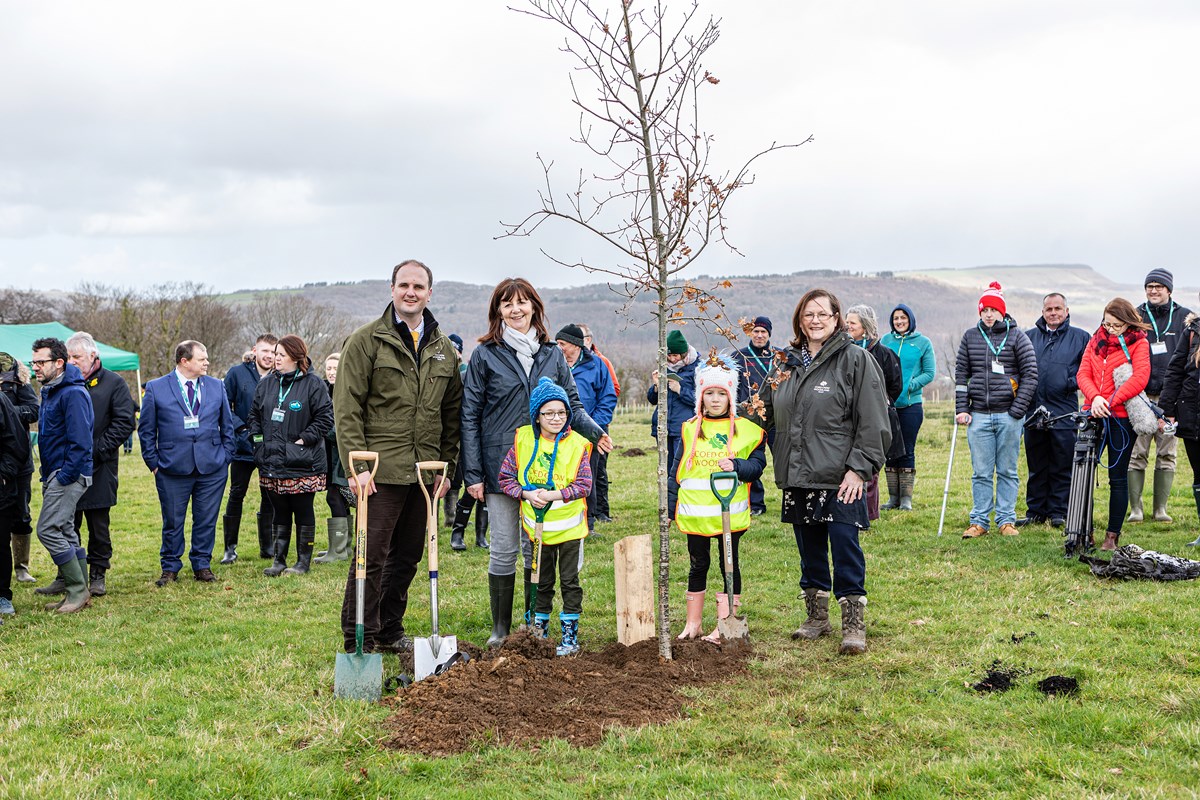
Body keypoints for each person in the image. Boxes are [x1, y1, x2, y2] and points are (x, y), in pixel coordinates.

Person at [461, 277, 611, 647]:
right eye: (507, 303)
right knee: (505, 547)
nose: (516, 309)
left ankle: (532, 627)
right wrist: (473, 472)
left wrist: (595, 432)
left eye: (523, 302)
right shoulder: (484, 355)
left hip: (544, 466)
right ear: (498, 310)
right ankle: (500, 628)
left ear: (534, 307)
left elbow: (572, 405)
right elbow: (469, 415)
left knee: (535, 548)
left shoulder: (552, 353)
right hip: (501, 466)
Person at [335, 259, 463, 654]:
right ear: (392, 289)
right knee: (370, 557)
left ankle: (390, 629)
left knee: (407, 557)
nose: (411, 292)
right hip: (380, 469)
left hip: (424, 472)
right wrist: (356, 468)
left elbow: (451, 415)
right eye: (404, 285)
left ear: (429, 293)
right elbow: (347, 407)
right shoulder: (366, 341)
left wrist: (448, 468)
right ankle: (361, 636)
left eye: (419, 286)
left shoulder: (443, 350)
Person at [753, 289, 889, 655]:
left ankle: (853, 624)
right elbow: (761, 411)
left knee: (845, 547)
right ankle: (816, 617)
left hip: (840, 476)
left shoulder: (855, 360)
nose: (815, 320)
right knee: (809, 547)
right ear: (799, 319)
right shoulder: (784, 363)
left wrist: (859, 470)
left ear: (836, 318)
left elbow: (874, 420)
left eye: (822, 314)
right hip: (798, 471)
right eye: (808, 314)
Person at [669, 354, 765, 642]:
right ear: (700, 396)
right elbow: (678, 470)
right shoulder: (689, 429)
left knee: (728, 564)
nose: (714, 400)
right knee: (698, 564)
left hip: (729, 514)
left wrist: (736, 465)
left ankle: (725, 624)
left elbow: (756, 468)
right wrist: (670, 506)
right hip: (696, 514)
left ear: (730, 397)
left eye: (720, 394)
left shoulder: (745, 430)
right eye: (708, 393)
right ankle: (693, 623)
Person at [497, 377, 594, 656]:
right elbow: (505, 478)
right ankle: (538, 629)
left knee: (569, 581)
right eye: (548, 413)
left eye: (561, 412)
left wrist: (553, 495)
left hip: (570, 530)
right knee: (540, 579)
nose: (556, 418)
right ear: (536, 416)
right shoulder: (523, 439)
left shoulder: (577, 444)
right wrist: (526, 494)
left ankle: (570, 634)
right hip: (536, 528)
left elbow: (584, 485)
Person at [138, 340, 235, 585]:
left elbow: (228, 426)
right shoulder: (157, 387)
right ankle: (170, 567)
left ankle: (202, 564)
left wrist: (225, 457)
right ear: (185, 361)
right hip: (171, 468)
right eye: (202, 359)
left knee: (206, 519)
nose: (207, 363)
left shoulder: (216, 386)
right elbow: (146, 430)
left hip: (212, 467)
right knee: (173, 520)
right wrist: (154, 463)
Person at [955, 282, 1039, 539]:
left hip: (1008, 415)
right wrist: (962, 408)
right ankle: (979, 521)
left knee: (1007, 470)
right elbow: (961, 375)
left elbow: (1031, 375)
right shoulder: (970, 336)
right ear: (980, 312)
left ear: (1002, 312)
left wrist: (1017, 410)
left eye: (993, 310)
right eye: (985, 310)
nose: (989, 314)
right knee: (980, 472)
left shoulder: (1017, 336)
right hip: (978, 415)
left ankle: (1006, 520)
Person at [247, 335, 334, 577]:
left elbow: (326, 419)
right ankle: (279, 560)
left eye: (281, 356)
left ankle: (302, 562)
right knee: (279, 510)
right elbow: (253, 415)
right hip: (271, 460)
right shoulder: (266, 383)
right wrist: (257, 441)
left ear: (296, 358)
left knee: (303, 510)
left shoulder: (314, 384)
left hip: (302, 461)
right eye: (275, 355)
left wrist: (303, 440)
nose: (275, 359)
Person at [66, 332, 137, 597]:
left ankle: (97, 573)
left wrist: (95, 451)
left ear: (93, 356)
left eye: (77, 357)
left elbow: (124, 423)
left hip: (100, 466)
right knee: (66, 524)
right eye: (69, 357)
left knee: (98, 525)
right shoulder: (62, 383)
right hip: (68, 468)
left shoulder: (114, 383)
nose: (72, 362)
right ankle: (68, 574)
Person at [1077, 299, 1151, 551]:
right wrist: (1095, 398)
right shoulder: (1095, 339)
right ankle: (1082, 530)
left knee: (1117, 478)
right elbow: (1082, 373)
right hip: (1092, 414)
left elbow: (1140, 377)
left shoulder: (1139, 342)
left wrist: (1109, 400)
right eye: (1107, 323)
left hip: (1120, 419)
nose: (1110, 329)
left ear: (1128, 322)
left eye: (1116, 325)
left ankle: (1112, 535)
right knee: (1083, 476)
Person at [30, 337, 95, 613]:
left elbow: (81, 442)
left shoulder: (73, 393)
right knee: (66, 529)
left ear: (59, 362)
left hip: (68, 473)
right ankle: (77, 591)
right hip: (55, 472)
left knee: (47, 529)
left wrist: (65, 475)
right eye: (33, 362)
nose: (36, 367)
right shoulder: (50, 390)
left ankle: (78, 592)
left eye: (41, 362)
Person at [1019, 294, 1090, 527]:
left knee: (1062, 462)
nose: (1053, 313)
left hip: (1064, 411)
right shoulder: (1028, 337)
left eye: (1058, 308)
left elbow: (1086, 370)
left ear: (1066, 310)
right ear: (1042, 311)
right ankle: (1036, 511)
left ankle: (1059, 511)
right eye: (1048, 309)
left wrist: (1068, 382)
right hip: (1034, 412)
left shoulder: (1080, 338)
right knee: (1037, 464)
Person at [1129, 269, 1191, 523]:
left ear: (1169, 290)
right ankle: (1136, 509)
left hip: (1171, 400)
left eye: (1158, 286)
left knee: (1167, 453)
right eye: (1149, 286)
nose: (1153, 290)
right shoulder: (1135, 315)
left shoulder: (1185, 318)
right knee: (1137, 452)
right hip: (1141, 397)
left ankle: (1160, 509)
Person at [555, 323, 616, 536]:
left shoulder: (597, 365)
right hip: (559, 433)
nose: (559, 347)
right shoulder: (554, 364)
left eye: (562, 343)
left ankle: (588, 523)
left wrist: (594, 427)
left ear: (575, 345)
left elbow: (607, 397)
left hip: (588, 434)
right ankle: (564, 518)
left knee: (587, 476)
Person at [222, 334, 278, 563]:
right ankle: (230, 548)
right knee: (237, 494)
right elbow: (224, 404)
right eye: (265, 351)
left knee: (269, 496)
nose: (269, 356)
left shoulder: (280, 376)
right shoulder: (237, 373)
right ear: (255, 350)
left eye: (274, 352)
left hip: (271, 448)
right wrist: (242, 430)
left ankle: (267, 547)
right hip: (243, 447)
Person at [845, 306, 903, 520]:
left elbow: (895, 384)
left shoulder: (884, 354)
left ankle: (869, 514)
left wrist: (878, 403)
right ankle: (849, 510)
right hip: (847, 417)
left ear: (865, 327)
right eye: (846, 321)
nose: (847, 326)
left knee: (870, 466)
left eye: (852, 323)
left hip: (873, 417)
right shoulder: (842, 351)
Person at [880, 304, 936, 511]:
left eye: (903, 317)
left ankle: (906, 498)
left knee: (907, 449)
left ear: (910, 319)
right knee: (889, 449)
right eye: (896, 318)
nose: (899, 321)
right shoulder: (885, 341)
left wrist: (910, 384)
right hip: (887, 404)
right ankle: (892, 497)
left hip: (911, 405)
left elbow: (929, 373)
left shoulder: (923, 343)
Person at [1160, 300, 1200, 546]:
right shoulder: (1193, 330)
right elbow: (1174, 371)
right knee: (1199, 474)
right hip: (1193, 414)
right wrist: (1167, 411)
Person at [446, 334, 489, 552]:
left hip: (489, 437)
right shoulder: (465, 378)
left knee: (488, 488)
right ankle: (458, 532)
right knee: (471, 488)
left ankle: (481, 536)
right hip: (469, 438)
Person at [736, 316, 782, 516]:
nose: (760, 335)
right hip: (751, 418)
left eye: (764, 332)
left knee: (783, 458)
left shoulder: (780, 357)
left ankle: (790, 498)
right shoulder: (739, 356)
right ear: (750, 333)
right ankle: (755, 503)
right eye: (756, 331)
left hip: (777, 417)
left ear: (769, 334)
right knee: (751, 458)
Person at [0, 352, 39, 584]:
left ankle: (21, 566)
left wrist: (7, 413)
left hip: (20, 460)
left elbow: (34, 410)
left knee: (21, 514)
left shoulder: (17, 379)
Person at [314, 352, 351, 564]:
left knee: (335, 497)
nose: (331, 372)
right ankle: (342, 547)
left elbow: (341, 429)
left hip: (341, 456)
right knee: (336, 497)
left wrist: (322, 428)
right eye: (328, 368)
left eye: (336, 368)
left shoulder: (345, 392)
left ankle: (338, 551)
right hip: (328, 456)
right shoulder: (325, 390)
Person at [579, 323, 619, 523]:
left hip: (596, 428)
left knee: (597, 471)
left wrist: (595, 424)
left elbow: (612, 391)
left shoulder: (601, 362)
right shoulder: (561, 362)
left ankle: (596, 513)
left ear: (589, 339)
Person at [0, 387, 33, 619]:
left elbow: (17, 442)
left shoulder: (2, 401)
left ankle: (2, 595)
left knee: (0, 544)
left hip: (1, 491)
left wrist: (3, 474)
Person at [648, 329, 699, 480]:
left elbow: (701, 400)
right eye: (669, 356)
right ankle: (668, 502)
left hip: (683, 428)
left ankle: (680, 500)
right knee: (666, 469)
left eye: (675, 355)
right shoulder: (664, 368)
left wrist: (680, 390)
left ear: (684, 354)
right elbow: (652, 400)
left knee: (680, 470)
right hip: (663, 427)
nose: (672, 359)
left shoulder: (697, 369)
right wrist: (656, 386)